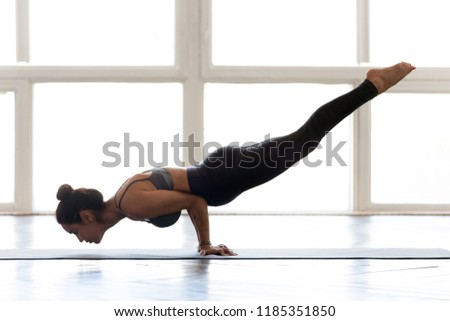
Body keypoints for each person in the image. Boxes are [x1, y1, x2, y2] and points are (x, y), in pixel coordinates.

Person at [55, 62, 416, 256]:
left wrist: (204, 244)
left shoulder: (131, 204)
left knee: (306, 138)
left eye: (75, 231)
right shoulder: (125, 197)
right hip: (220, 171)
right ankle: (372, 85)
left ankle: (373, 84)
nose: (80, 237)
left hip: (222, 175)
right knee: (304, 140)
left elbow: (194, 198)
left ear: (86, 216)